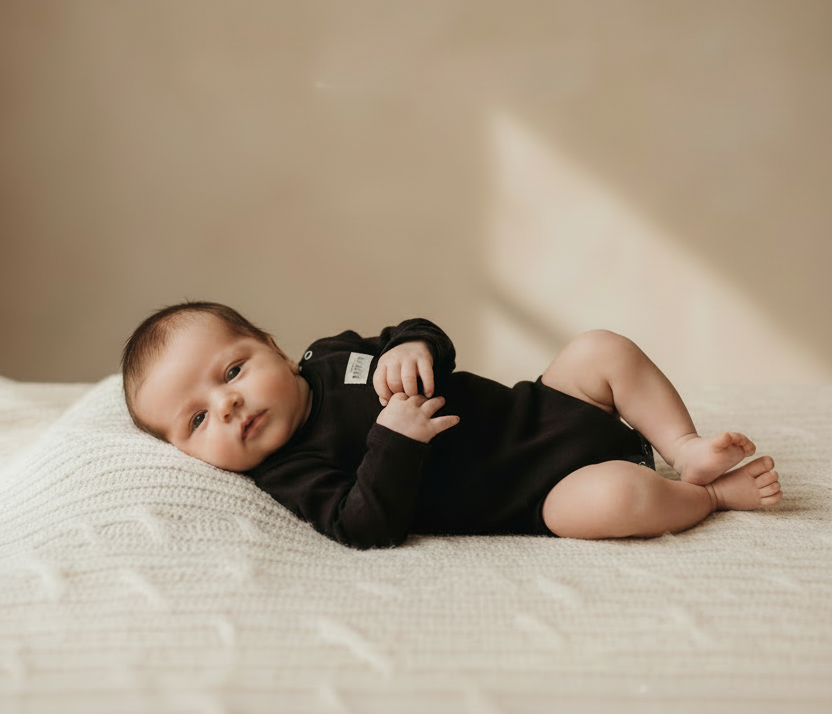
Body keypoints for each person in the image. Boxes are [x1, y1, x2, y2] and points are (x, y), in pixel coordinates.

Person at [121, 301, 782, 549]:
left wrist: (414, 347)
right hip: (542, 494)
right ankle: (712, 495)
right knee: (618, 500)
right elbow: (362, 524)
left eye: (231, 372)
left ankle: (684, 447)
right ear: (187, 452)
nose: (227, 405)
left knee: (600, 348)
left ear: (269, 343)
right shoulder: (291, 471)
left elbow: (412, 330)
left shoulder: (328, 356)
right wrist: (392, 443)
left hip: (545, 405)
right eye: (197, 419)